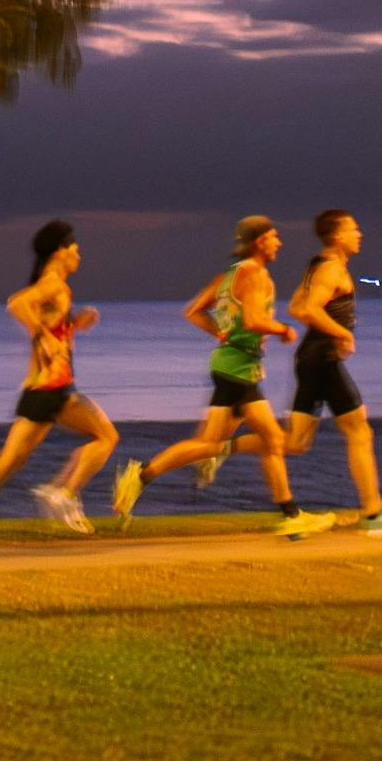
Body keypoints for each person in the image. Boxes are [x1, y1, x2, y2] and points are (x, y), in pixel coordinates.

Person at [0, 221, 123, 554]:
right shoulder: (55, 284)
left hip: (44, 390)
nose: (79, 255)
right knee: (107, 437)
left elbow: (50, 327)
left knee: (11, 459)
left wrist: (74, 324)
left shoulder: (57, 289)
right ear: (59, 251)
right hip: (52, 389)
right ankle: (62, 493)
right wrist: (42, 335)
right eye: (75, 249)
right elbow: (16, 303)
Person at [113, 217, 300, 528]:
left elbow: (192, 311)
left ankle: (143, 475)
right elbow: (253, 320)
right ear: (259, 242)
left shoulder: (229, 276)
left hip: (232, 365)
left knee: (226, 442)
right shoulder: (256, 274)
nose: (279, 242)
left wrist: (221, 333)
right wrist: (283, 329)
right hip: (238, 368)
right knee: (261, 440)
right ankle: (291, 515)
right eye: (274, 236)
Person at [277, 209, 382, 538]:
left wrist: (332, 329)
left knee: (295, 442)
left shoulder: (318, 265)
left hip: (312, 358)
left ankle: (221, 449)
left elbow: (296, 308)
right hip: (323, 359)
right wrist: (343, 334)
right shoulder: (330, 269)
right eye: (354, 229)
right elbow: (310, 310)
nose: (360, 235)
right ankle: (373, 513)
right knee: (359, 431)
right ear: (338, 235)